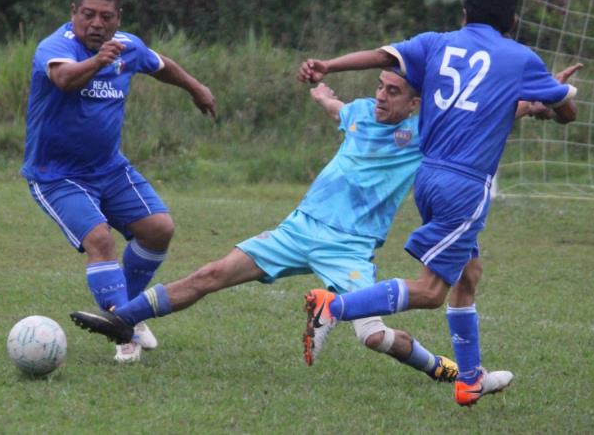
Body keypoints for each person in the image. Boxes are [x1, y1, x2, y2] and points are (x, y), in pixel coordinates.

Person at [71, 69, 463, 384]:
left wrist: (521, 105)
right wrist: (322, 94)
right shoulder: (360, 111)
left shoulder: (423, 133)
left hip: (349, 247)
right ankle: (123, 320)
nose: (381, 95)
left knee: (372, 336)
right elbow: (336, 108)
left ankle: (439, 368)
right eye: (380, 86)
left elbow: (476, 119)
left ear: (414, 103)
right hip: (298, 230)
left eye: (393, 92)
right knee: (212, 273)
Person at [295, 0, 579, 407]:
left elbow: (382, 55)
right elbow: (567, 113)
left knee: (469, 275)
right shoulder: (520, 57)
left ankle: (469, 379)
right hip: (465, 188)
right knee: (430, 292)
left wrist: (329, 66)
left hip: (429, 179)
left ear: (464, 13)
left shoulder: (435, 42)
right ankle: (334, 308)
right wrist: (556, 97)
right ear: (513, 21)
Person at [21, 0, 217, 363]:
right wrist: (99, 61)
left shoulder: (128, 47)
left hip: (109, 168)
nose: (96, 23)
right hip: (56, 174)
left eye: (106, 16)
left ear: (118, 18)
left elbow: (160, 65)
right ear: (74, 13)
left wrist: (196, 88)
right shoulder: (56, 47)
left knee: (159, 229)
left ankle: (126, 310)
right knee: (101, 241)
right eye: (88, 15)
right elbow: (63, 79)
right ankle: (123, 333)